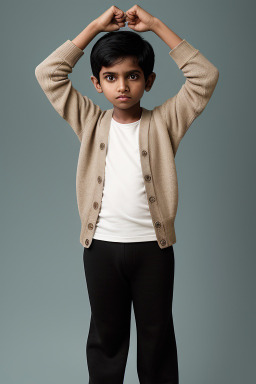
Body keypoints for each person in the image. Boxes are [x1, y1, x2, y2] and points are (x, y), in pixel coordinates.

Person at [35, 4, 219, 384]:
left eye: (132, 76)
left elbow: (204, 76)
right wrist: (93, 28)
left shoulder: (165, 121)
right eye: (111, 77)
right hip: (100, 247)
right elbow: (48, 73)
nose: (122, 86)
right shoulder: (89, 120)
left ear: (148, 81)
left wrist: (154, 26)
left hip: (154, 249)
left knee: (156, 339)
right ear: (97, 84)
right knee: (106, 339)